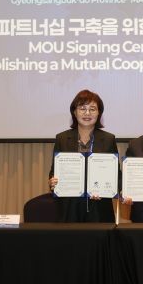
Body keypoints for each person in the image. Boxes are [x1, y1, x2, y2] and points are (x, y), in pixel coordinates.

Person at [48, 90, 118, 223]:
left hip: (99, 208)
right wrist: (52, 181)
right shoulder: (62, 138)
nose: (87, 113)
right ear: (74, 112)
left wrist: (107, 189)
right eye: (82, 108)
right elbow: (54, 171)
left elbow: (115, 173)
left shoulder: (109, 139)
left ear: (99, 113)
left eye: (92, 109)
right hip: (70, 208)